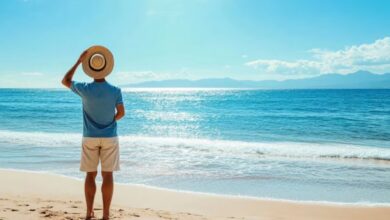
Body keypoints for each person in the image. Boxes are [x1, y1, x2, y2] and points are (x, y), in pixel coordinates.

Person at [61, 46, 125, 220]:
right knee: (108, 175)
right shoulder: (115, 90)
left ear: (90, 68)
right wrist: (110, 121)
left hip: (89, 137)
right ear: (107, 68)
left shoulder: (84, 88)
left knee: (90, 174)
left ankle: (89, 213)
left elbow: (65, 80)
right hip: (110, 137)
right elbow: (121, 113)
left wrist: (78, 61)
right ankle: (105, 214)